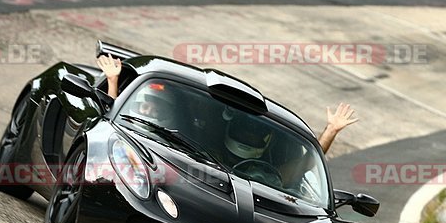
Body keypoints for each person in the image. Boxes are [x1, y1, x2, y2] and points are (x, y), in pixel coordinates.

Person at [96, 53, 358, 154]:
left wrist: (330, 131)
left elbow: (302, 165)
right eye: (147, 104)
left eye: (255, 134)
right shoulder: (141, 125)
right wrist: (112, 81)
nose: (148, 109)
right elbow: (109, 113)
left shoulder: (205, 140)